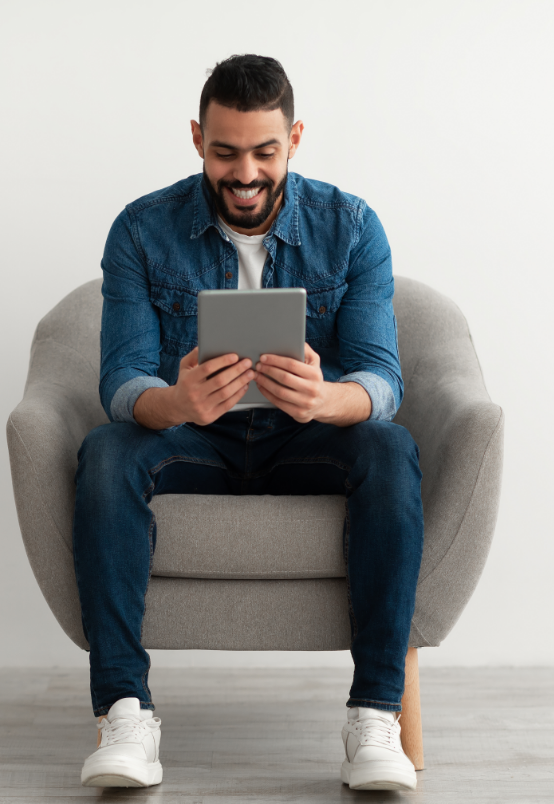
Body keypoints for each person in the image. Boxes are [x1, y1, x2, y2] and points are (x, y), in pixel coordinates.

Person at [73, 54, 423, 792]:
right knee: (107, 452)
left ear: (294, 139)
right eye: (226, 151)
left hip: (308, 437)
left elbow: (380, 378)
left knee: (389, 449)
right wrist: (176, 403)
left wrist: (329, 399)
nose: (245, 173)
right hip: (194, 436)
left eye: (264, 152)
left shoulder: (352, 226)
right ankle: (125, 713)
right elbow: (121, 380)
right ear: (198, 139)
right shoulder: (140, 229)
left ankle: (375, 716)